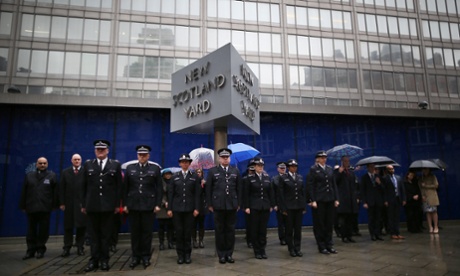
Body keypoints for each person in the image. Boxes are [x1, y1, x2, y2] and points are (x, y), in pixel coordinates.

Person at [81, 140, 122, 272]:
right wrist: (83, 204)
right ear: (95, 151)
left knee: (105, 235)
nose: (100, 151)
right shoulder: (88, 164)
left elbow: (118, 187)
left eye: (102, 149)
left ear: (107, 151)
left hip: (108, 207)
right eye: (98, 149)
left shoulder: (115, 165)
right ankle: (94, 260)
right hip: (92, 206)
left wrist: (117, 205)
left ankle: (104, 260)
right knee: (93, 236)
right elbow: (83, 186)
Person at [123, 145, 162, 269]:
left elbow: (159, 189)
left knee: (146, 233)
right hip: (133, 205)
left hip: (148, 205)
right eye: (140, 155)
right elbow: (125, 188)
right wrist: (125, 204)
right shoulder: (130, 169)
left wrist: (157, 204)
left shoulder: (155, 169)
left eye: (144, 155)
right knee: (135, 233)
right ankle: (135, 257)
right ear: (137, 156)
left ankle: (145, 256)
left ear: (148, 156)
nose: (142, 157)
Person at [206, 148, 242, 264]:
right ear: (219, 159)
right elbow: (208, 189)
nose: (225, 159)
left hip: (231, 205)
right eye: (223, 157)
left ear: (229, 158)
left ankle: (229, 254)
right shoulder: (212, 171)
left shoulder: (235, 171)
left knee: (230, 230)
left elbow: (239, 189)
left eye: (227, 157)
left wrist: (238, 203)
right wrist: (210, 204)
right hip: (218, 205)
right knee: (220, 230)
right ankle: (221, 254)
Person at [19, 157, 58, 260]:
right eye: (40, 163)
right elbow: (24, 192)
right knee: (31, 231)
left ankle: (40, 250)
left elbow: (55, 193)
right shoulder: (29, 176)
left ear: (47, 164)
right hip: (31, 207)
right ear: (36, 164)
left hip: (45, 208)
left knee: (43, 231)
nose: (42, 165)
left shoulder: (52, 176)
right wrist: (23, 205)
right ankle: (30, 251)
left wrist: (54, 205)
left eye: (44, 163)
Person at [168, 154, 201, 264]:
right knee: (179, 232)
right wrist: (169, 209)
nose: (185, 164)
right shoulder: (175, 176)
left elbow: (197, 194)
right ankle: (180, 255)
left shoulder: (194, 176)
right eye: (182, 162)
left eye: (187, 162)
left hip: (190, 209)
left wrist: (197, 208)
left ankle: (187, 254)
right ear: (180, 163)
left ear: (189, 163)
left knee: (187, 233)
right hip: (177, 209)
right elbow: (171, 194)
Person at [307, 151, 339, 254]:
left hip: (329, 199)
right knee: (320, 224)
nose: (324, 159)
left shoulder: (329, 169)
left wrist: (336, 198)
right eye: (322, 157)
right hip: (319, 200)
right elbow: (310, 186)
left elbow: (333, 184)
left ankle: (329, 244)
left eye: (325, 157)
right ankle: (321, 246)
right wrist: (313, 200)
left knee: (329, 223)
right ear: (318, 159)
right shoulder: (313, 169)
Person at [243, 157, 275, 259]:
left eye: (261, 166)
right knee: (254, 229)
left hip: (265, 206)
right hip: (254, 207)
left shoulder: (266, 177)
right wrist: (246, 207)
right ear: (255, 167)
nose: (260, 167)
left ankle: (262, 249)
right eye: (258, 166)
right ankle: (256, 250)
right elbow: (246, 194)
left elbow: (270, 192)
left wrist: (271, 205)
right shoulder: (250, 178)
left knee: (263, 229)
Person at [59, 154, 87, 257]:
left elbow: (88, 189)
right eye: (75, 159)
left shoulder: (85, 172)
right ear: (71, 160)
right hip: (68, 204)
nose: (77, 161)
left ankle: (80, 247)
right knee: (68, 227)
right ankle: (67, 248)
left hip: (81, 204)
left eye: (78, 159)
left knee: (81, 227)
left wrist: (86, 204)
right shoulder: (65, 172)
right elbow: (61, 188)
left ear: (81, 160)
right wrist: (61, 203)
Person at [278, 159, 306, 257]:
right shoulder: (284, 178)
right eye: (292, 166)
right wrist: (283, 208)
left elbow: (302, 193)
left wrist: (303, 206)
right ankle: (291, 248)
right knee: (289, 229)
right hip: (289, 207)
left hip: (298, 206)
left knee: (298, 229)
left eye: (295, 166)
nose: (294, 168)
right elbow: (281, 195)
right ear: (289, 167)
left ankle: (298, 248)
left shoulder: (300, 177)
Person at [333, 155, 359, 243]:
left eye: (348, 161)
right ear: (342, 161)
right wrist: (339, 173)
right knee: (343, 220)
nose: (347, 163)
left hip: (351, 199)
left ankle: (349, 235)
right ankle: (344, 236)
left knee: (350, 219)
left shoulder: (351, 172)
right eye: (345, 161)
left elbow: (354, 185)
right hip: (343, 200)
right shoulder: (337, 171)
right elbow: (335, 182)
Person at [361, 163, 386, 241]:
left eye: (374, 167)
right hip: (370, 201)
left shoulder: (378, 177)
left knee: (378, 218)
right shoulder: (364, 177)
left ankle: (378, 233)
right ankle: (372, 234)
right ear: (368, 168)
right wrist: (364, 202)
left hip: (378, 201)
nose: (373, 168)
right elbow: (363, 191)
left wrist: (379, 183)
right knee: (371, 218)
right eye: (371, 167)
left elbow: (384, 189)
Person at [383, 165, 406, 240]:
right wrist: (385, 200)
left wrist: (404, 199)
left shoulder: (398, 177)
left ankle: (397, 232)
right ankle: (392, 233)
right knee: (391, 217)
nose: (391, 170)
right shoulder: (385, 178)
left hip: (397, 199)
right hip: (390, 200)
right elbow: (384, 190)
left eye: (392, 169)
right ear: (387, 170)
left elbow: (402, 189)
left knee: (397, 216)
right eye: (389, 169)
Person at [157, 169, 174, 250]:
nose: (168, 175)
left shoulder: (173, 182)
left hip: (171, 207)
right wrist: (164, 202)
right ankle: (161, 243)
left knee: (170, 227)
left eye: (169, 174)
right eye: (166, 174)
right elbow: (158, 194)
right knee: (161, 227)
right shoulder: (160, 183)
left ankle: (170, 242)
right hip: (162, 208)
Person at [271, 161, 287, 245]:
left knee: (289, 223)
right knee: (280, 223)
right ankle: (282, 238)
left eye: (284, 168)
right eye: (281, 168)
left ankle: (288, 237)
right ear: (278, 169)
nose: (282, 169)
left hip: (288, 204)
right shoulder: (275, 179)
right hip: (279, 204)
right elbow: (272, 193)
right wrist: (274, 204)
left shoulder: (289, 177)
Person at [420, 168, 440, 234]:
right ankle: (430, 227)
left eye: (426, 170)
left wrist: (426, 186)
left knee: (434, 212)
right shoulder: (421, 178)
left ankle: (436, 226)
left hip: (432, 196)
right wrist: (422, 195)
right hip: (425, 197)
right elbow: (420, 187)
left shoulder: (433, 177)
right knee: (427, 212)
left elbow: (436, 185)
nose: (425, 171)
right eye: (424, 170)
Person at [192, 168, 207, 249]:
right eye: (197, 172)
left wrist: (205, 185)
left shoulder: (204, 182)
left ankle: (201, 240)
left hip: (202, 206)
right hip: (193, 206)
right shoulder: (193, 181)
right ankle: (194, 240)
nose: (198, 173)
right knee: (193, 225)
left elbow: (207, 193)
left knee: (201, 224)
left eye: (200, 172)